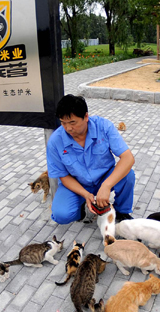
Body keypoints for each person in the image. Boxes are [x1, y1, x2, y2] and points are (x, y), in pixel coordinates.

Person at [46, 94, 135, 224]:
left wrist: (106, 185)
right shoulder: (55, 141)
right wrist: (85, 194)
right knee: (61, 215)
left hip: (104, 177)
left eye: (72, 122)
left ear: (86, 117)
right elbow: (63, 176)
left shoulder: (103, 127)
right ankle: (80, 209)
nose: (68, 128)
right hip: (77, 183)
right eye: (63, 123)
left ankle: (122, 211)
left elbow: (128, 158)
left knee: (128, 175)